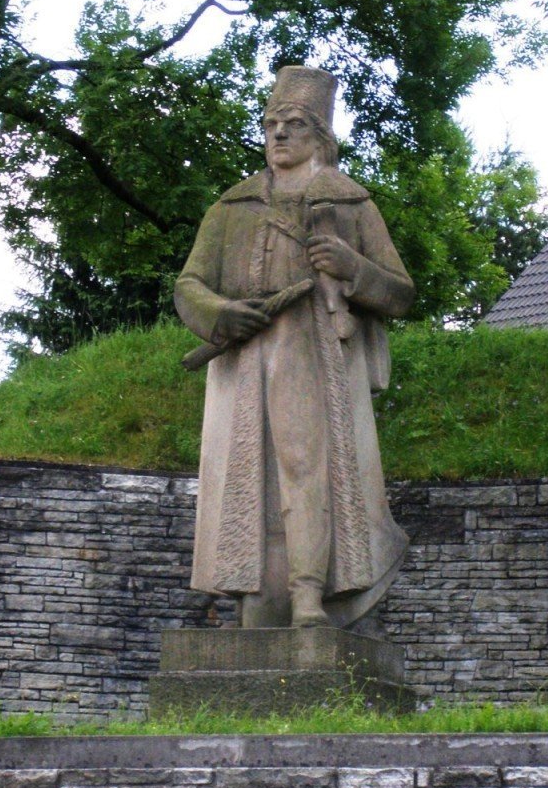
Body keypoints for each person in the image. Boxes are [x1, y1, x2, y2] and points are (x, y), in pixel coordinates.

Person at [175, 65, 414, 629]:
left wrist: (352, 268)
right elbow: (189, 285)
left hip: (313, 351)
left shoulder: (350, 204)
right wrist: (219, 313)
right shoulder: (231, 208)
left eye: (294, 124)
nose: (279, 134)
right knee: (243, 476)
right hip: (241, 357)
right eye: (271, 124)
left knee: (307, 469)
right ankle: (254, 600)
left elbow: (400, 292)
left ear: (320, 137)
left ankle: (308, 594)